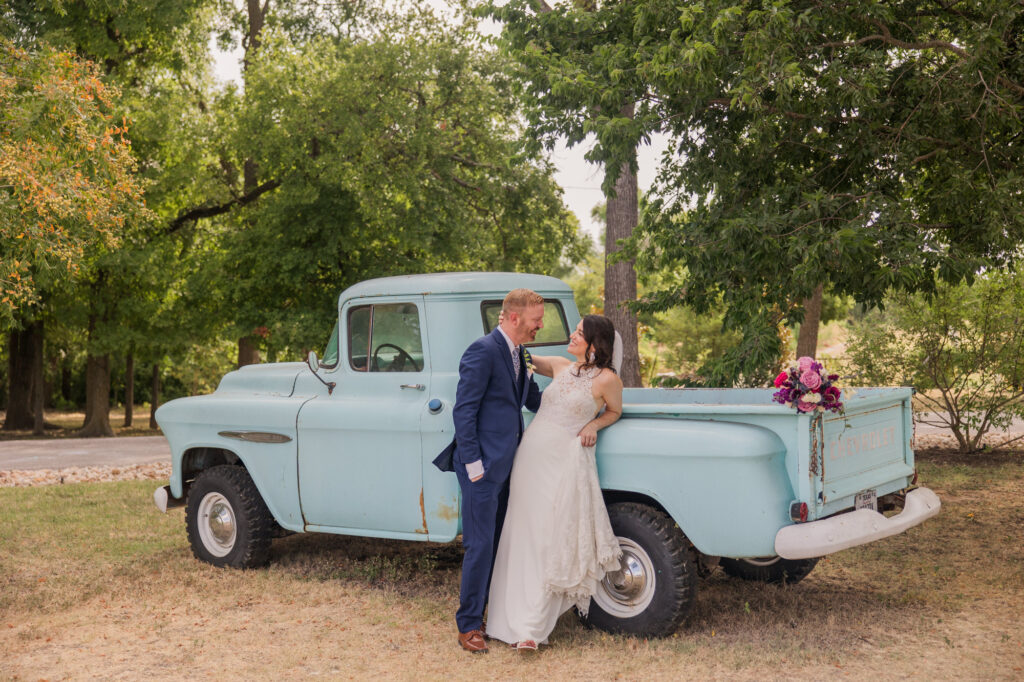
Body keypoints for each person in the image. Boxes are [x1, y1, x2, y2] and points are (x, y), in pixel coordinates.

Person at [485, 314, 624, 651]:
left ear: (595, 343)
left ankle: (532, 626)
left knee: (549, 535)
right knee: (523, 531)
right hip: (530, 457)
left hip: (562, 461)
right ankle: (504, 618)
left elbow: (614, 411)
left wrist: (594, 426)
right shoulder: (561, 366)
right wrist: (510, 321)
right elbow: (523, 353)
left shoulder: (607, 379)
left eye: (579, 333)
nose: (572, 336)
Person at [432, 288, 545, 654]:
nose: (539, 326)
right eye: (535, 321)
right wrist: (474, 464)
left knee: (500, 541)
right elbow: (463, 411)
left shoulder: (522, 355)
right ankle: (468, 625)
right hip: (481, 468)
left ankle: (492, 614)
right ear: (514, 318)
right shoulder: (482, 350)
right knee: (479, 545)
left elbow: (534, 400)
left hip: (511, 466)